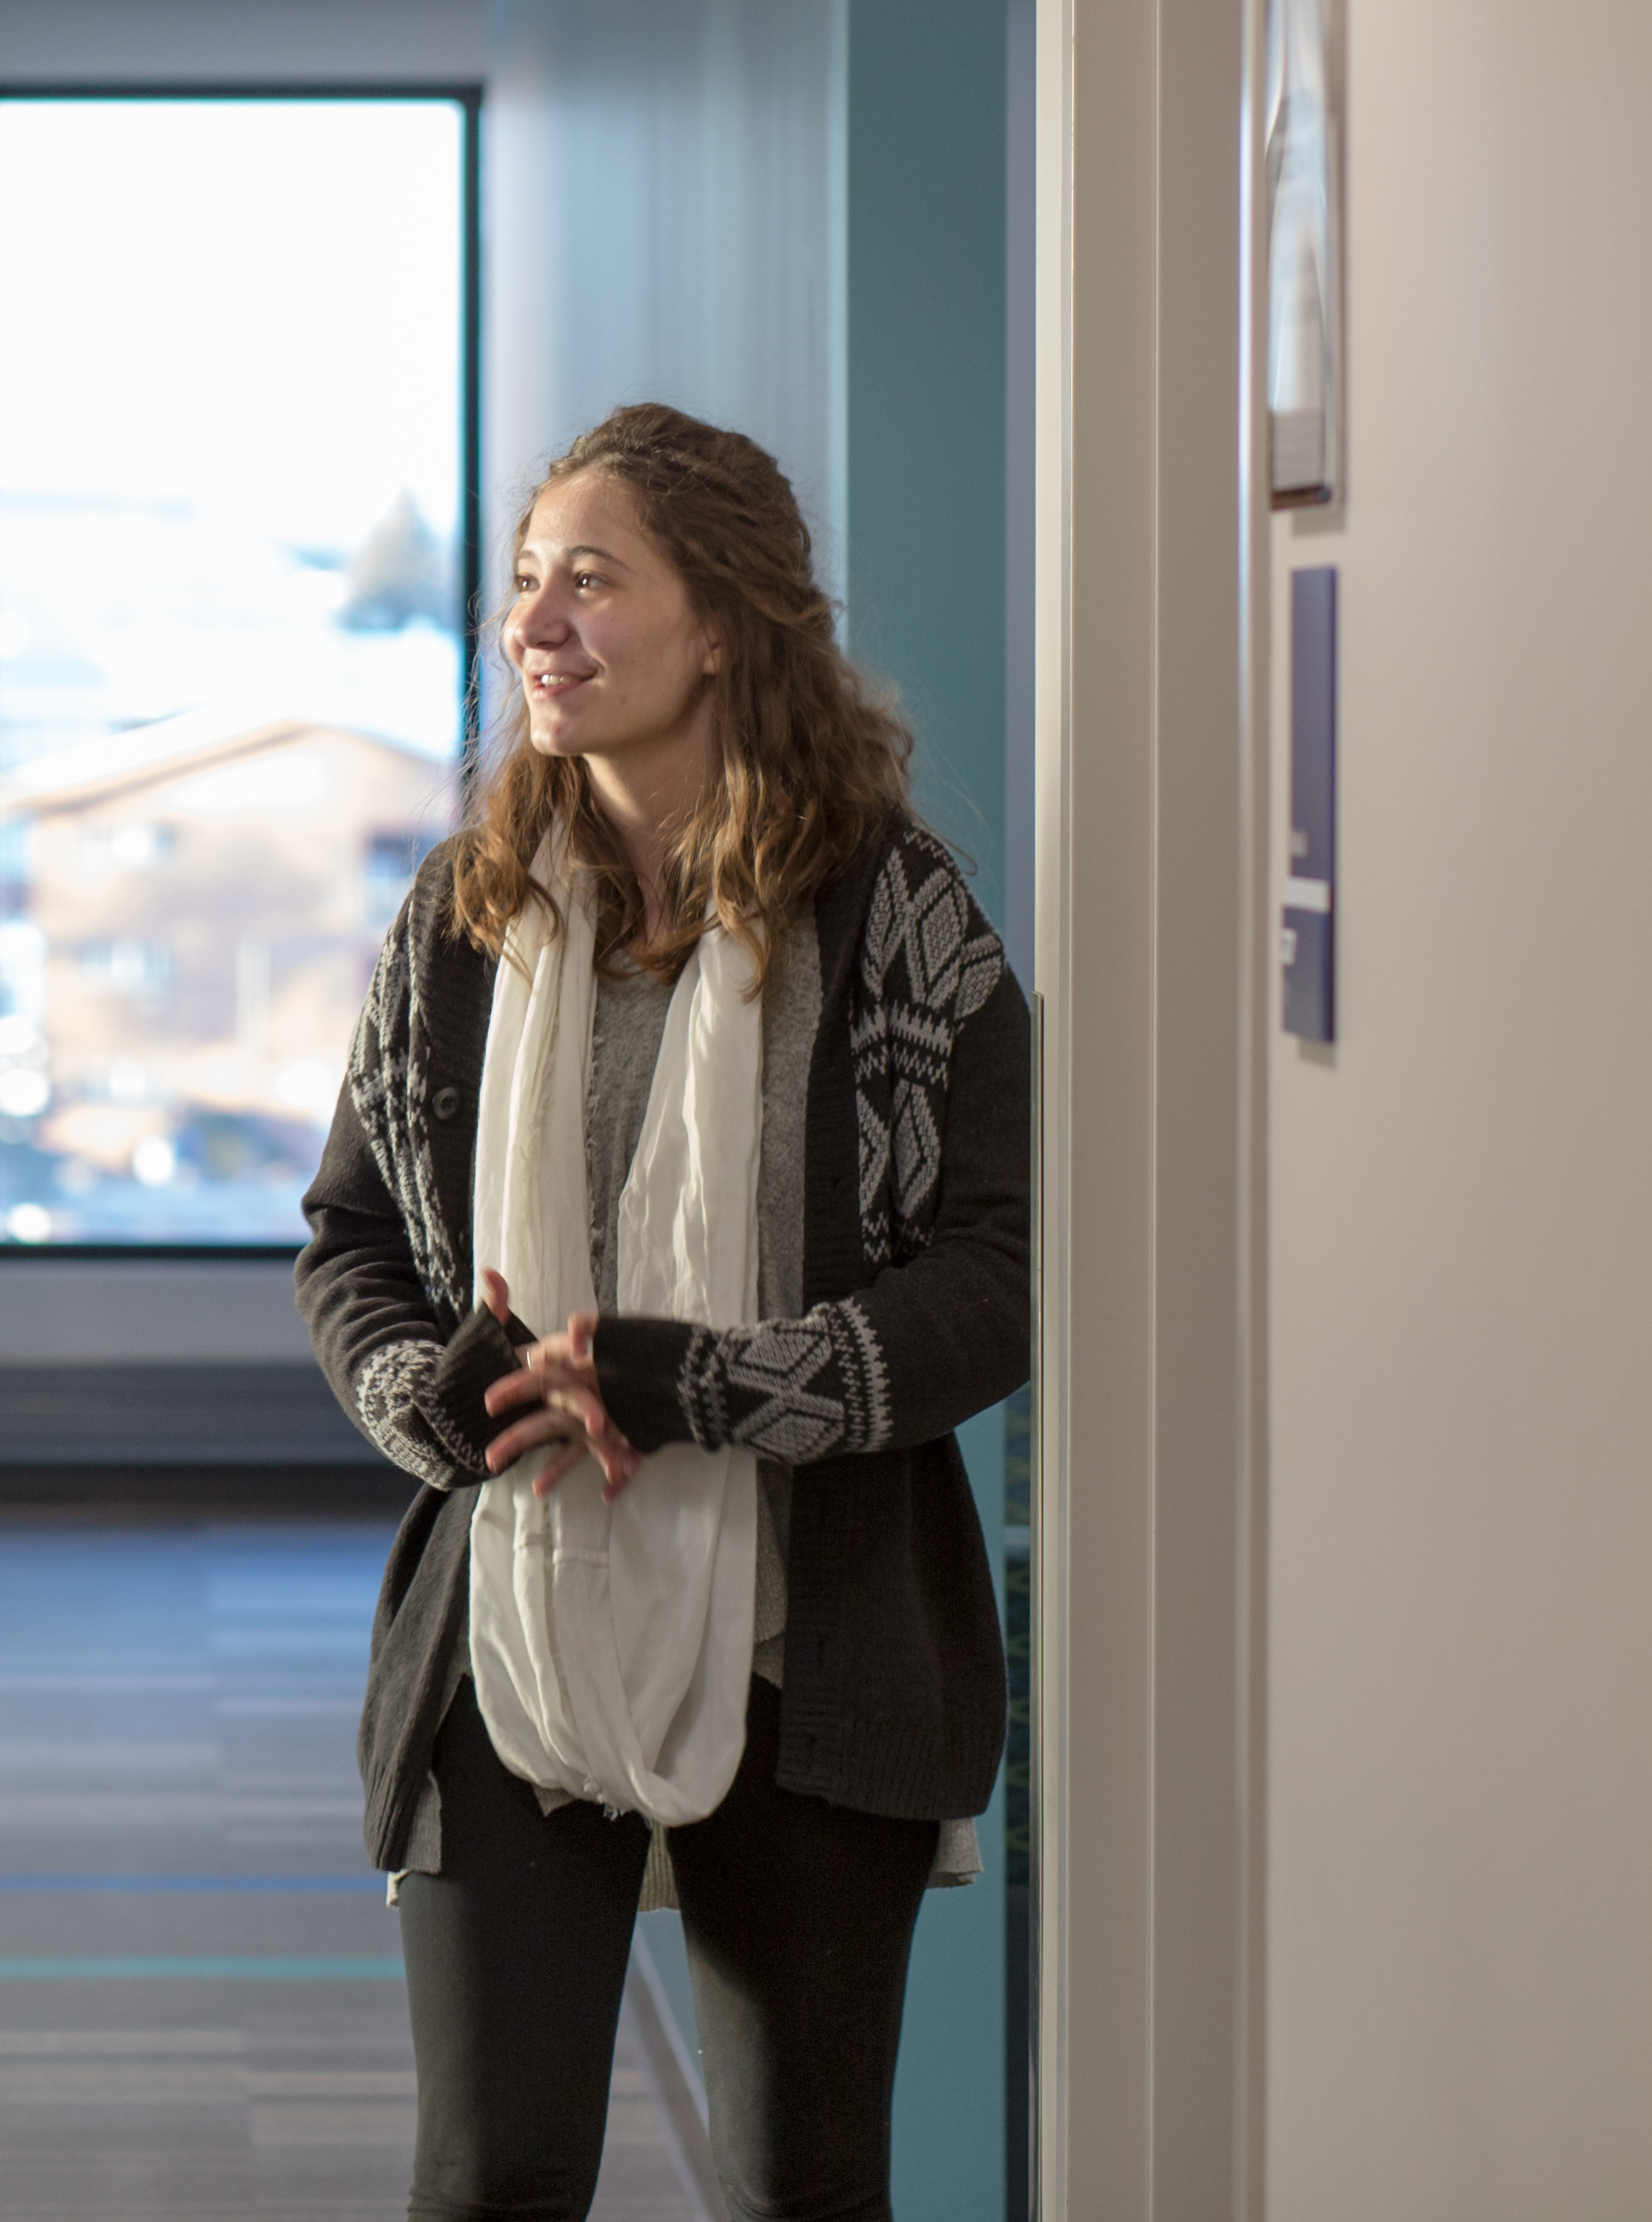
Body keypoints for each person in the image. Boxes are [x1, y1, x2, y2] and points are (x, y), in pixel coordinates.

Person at [299, 403, 1029, 2222]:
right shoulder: (460, 917)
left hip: (818, 1626)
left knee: (798, 2185)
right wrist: (444, 1393)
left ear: (724, 622)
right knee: (495, 2179)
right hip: (514, 1610)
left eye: (592, 582)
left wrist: (713, 1384)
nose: (534, 625)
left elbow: (995, 1278)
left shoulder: (894, 913)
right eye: (526, 583)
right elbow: (351, 1245)